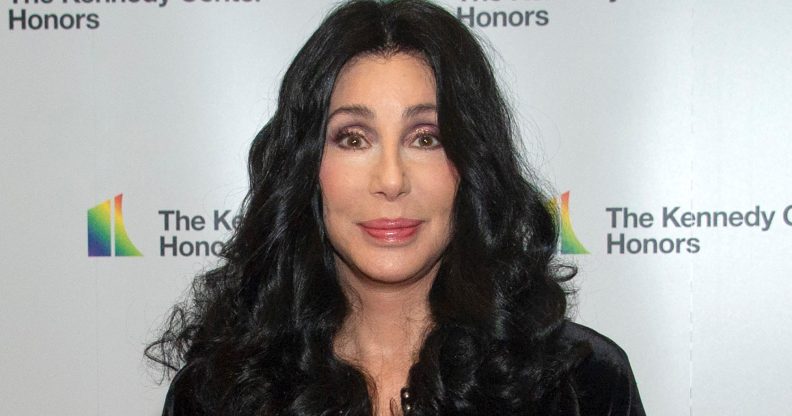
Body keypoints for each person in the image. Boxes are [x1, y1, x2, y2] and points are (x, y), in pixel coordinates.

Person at [147, 1, 646, 415]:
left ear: (471, 163)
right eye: (353, 138)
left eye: (425, 138)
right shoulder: (220, 391)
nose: (390, 180)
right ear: (305, 167)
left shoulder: (581, 384)